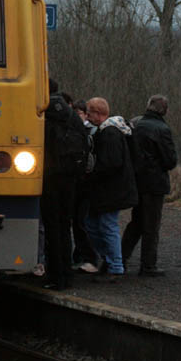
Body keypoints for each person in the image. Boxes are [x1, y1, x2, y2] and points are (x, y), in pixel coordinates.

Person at [122, 94, 178, 276]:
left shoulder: (135, 125)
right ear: (165, 110)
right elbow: (170, 160)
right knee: (151, 226)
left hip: (137, 181)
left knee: (136, 222)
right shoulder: (162, 129)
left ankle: (120, 257)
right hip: (154, 183)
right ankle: (148, 265)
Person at [83, 97, 137, 282]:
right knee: (99, 225)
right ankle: (112, 263)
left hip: (110, 190)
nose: (87, 116)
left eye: (89, 112)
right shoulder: (111, 132)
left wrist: (91, 173)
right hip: (112, 189)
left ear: (98, 114)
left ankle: (114, 266)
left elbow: (111, 163)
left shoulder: (109, 134)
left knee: (104, 226)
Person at [39, 79, 79, 290]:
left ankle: (55, 276)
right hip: (70, 179)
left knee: (51, 227)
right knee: (65, 227)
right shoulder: (73, 116)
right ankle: (67, 274)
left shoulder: (43, 116)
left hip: (49, 178)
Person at [70, 98, 99, 274]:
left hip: (85, 184)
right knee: (79, 222)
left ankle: (89, 257)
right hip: (80, 183)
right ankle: (80, 255)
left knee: (82, 223)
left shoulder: (89, 132)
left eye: (79, 113)